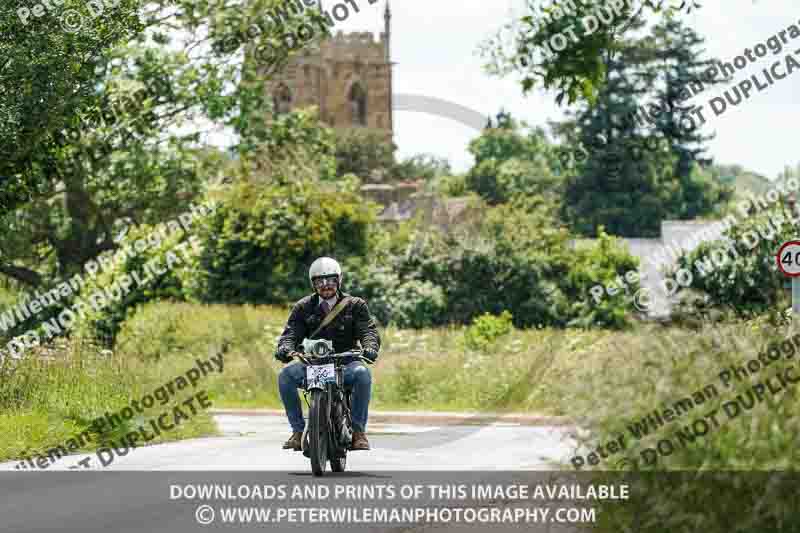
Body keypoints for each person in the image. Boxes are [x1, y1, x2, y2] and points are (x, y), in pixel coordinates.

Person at [274, 257, 381, 452]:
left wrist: (370, 347)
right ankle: (298, 432)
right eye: (319, 281)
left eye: (331, 280)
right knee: (285, 376)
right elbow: (291, 333)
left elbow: (368, 331)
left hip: (345, 363)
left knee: (362, 374)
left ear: (339, 280)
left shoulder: (355, 305)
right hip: (313, 364)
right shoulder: (303, 306)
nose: (326, 286)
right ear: (312, 284)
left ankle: (358, 433)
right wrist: (285, 348)